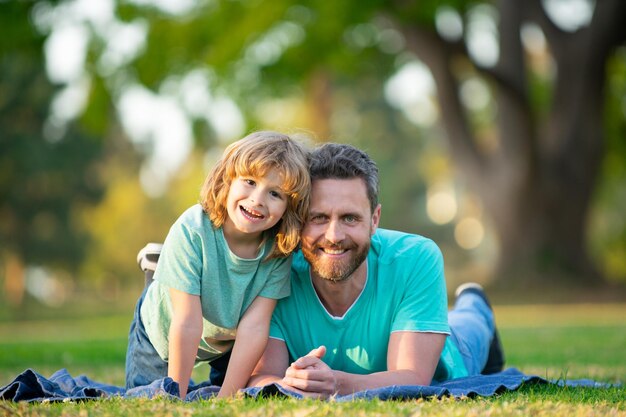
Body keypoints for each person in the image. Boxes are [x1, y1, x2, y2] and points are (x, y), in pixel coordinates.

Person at [247, 143, 504, 398]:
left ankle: (475, 303)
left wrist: (334, 382)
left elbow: (413, 378)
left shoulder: (415, 258)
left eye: (349, 218)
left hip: (450, 355)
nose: (334, 236)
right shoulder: (276, 269)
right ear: (300, 218)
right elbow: (262, 376)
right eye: (319, 218)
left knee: (471, 324)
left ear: (374, 220)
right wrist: (295, 384)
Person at [125, 131, 311, 399]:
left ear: (289, 208)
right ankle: (160, 271)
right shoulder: (193, 230)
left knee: (239, 396)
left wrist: (228, 396)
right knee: (152, 398)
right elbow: (187, 322)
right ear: (227, 180)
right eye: (249, 181)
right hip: (164, 330)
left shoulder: (278, 250)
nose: (258, 199)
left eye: (275, 194)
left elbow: (255, 326)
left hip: (227, 339)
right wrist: (174, 394)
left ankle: (164, 266)